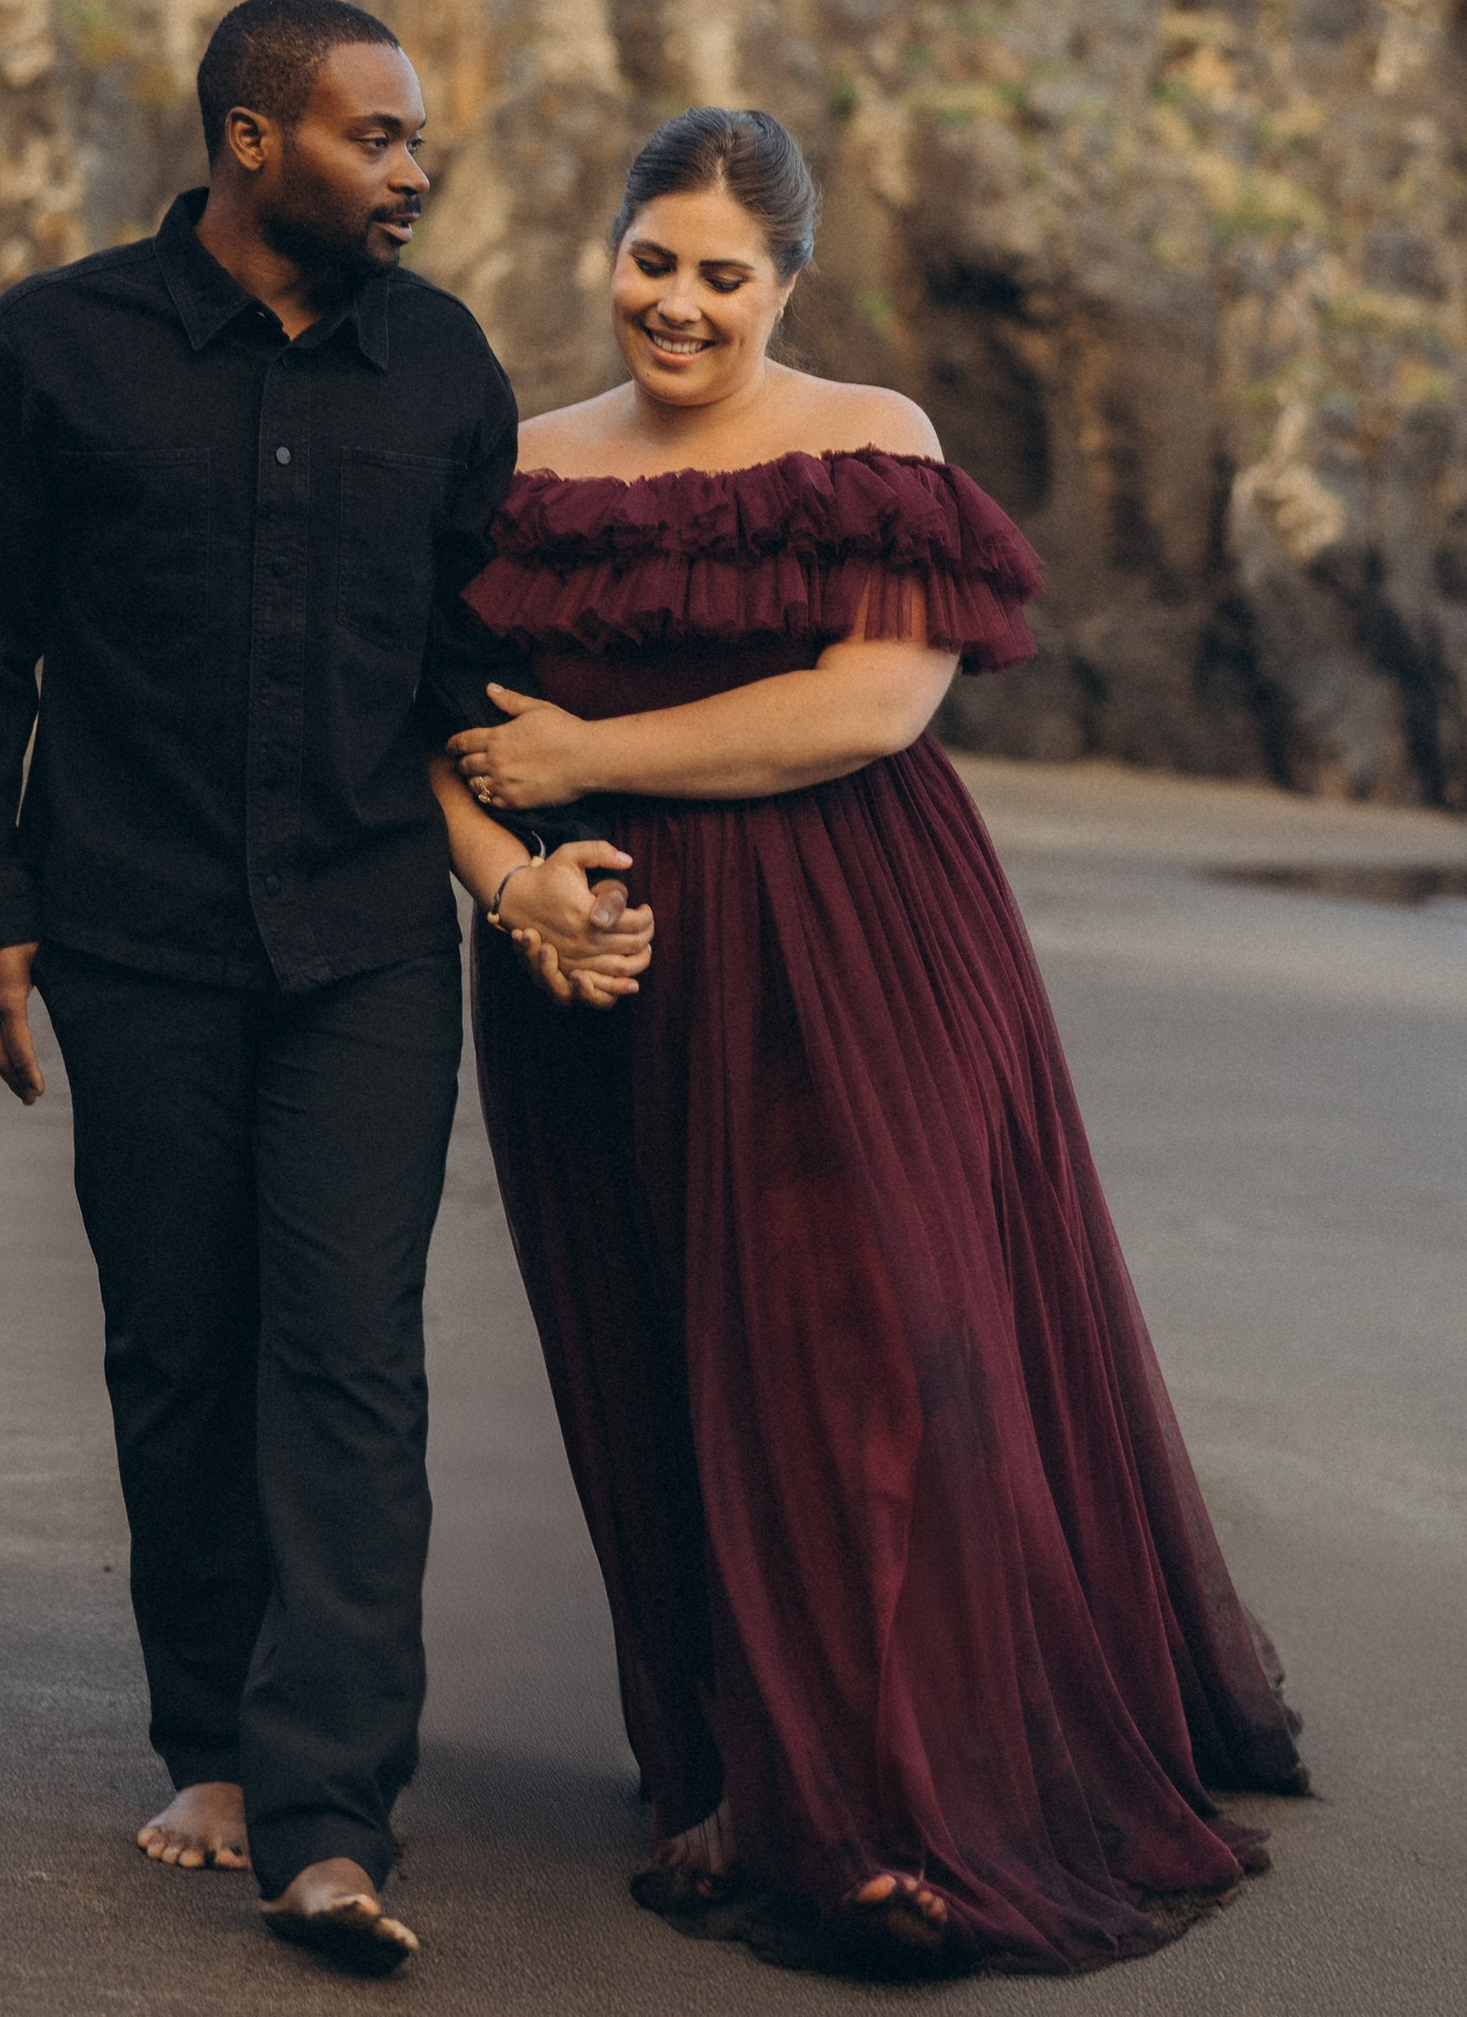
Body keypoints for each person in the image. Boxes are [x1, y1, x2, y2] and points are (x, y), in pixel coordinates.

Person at [444, 105, 1308, 1976]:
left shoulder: (871, 444)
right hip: (606, 966)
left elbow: (869, 709)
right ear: (611, 250)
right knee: (669, 1351)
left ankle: (898, 1803)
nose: (678, 304)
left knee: (886, 1344)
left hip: (863, 947)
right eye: (652, 260)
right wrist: (521, 882)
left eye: (722, 275)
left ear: (788, 285)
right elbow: (446, 717)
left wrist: (582, 758)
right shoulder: (514, 466)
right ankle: (743, 1772)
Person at [0, 0, 644, 1979]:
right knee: (179, 1350)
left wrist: (550, 839)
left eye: (415, 143)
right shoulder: (55, 351)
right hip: (129, 935)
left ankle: (328, 1816)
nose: (415, 171)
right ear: (250, 142)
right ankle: (209, 1742)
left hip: (367, 941)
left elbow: (461, 665)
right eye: (375, 139)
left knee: (346, 1362)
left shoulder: (442, 367)